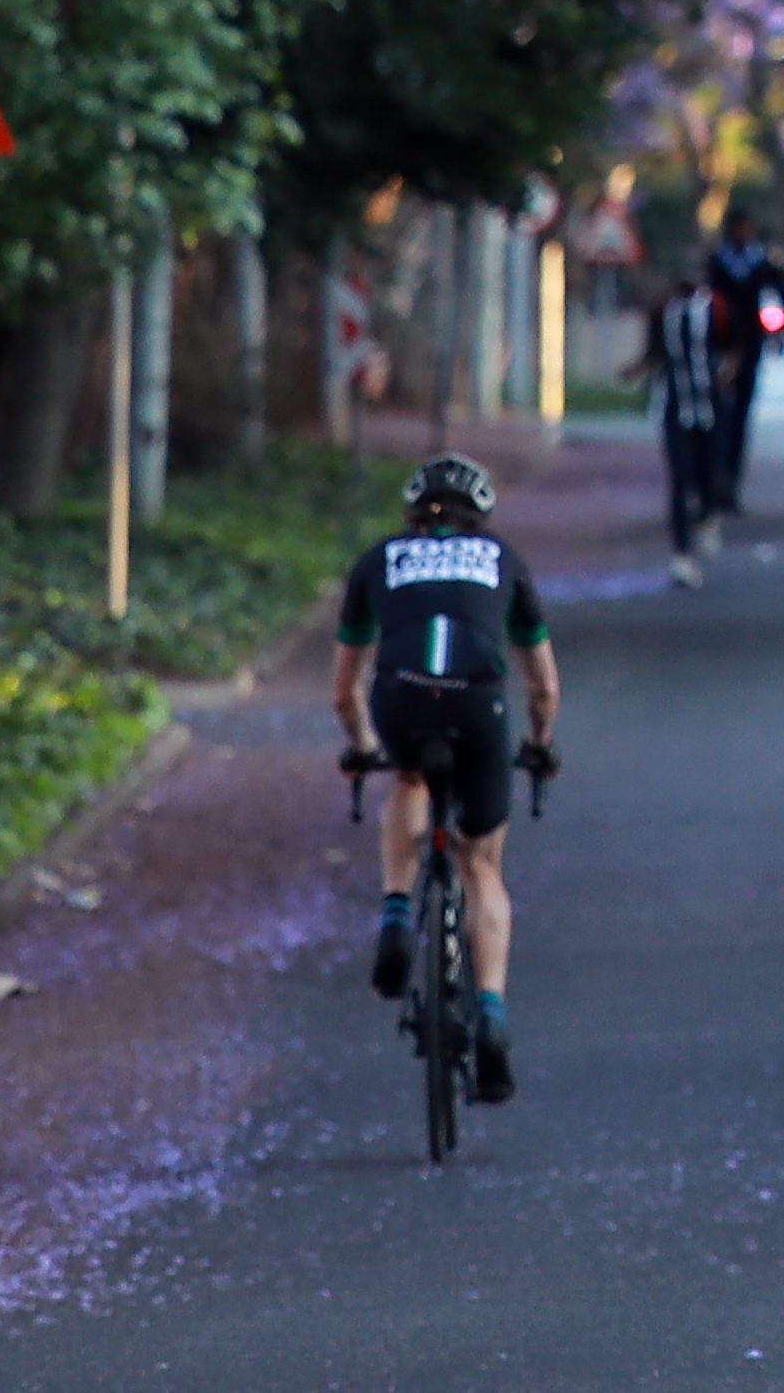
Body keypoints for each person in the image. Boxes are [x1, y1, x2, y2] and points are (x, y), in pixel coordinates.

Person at [338, 454, 559, 1102]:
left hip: (402, 697)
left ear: (412, 513)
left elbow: (344, 692)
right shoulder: (503, 560)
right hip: (478, 704)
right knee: (482, 863)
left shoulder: (379, 560)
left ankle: (396, 911)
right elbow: (543, 687)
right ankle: (490, 1012)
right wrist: (539, 745)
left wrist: (362, 748)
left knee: (408, 778)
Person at [696, 207, 778, 530]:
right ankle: (711, 485)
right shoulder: (718, 262)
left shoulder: (761, 261)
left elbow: (779, 292)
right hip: (718, 345)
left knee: (740, 421)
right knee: (715, 419)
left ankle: (730, 487)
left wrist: (780, 327)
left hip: (749, 346)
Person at [643, 275, 717, 582]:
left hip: (710, 406)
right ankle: (682, 554)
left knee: (707, 473)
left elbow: (733, 344)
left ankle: (707, 515)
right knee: (679, 479)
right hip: (675, 407)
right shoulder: (662, 312)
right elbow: (655, 350)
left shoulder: (714, 310)